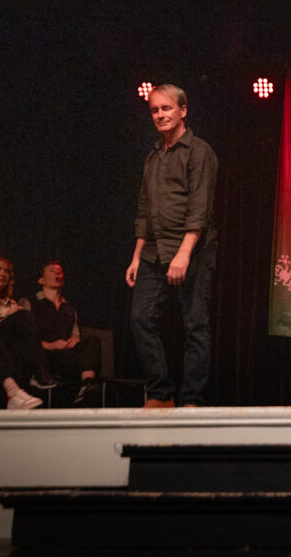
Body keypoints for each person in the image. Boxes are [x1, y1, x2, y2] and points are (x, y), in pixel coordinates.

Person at [125, 83, 218, 409]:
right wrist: (136, 257)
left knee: (195, 325)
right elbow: (144, 211)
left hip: (192, 250)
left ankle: (191, 399)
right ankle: (161, 394)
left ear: (183, 110)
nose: (160, 115)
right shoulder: (153, 157)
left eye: (166, 108)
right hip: (153, 250)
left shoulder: (199, 151)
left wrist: (183, 254)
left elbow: (200, 208)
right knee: (140, 319)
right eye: (155, 110)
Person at [0, 256, 55, 409]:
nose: (3, 274)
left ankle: (22, 392)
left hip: (5, 348)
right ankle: (39, 371)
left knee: (21, 336)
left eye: (6, 271)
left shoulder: (10, 302)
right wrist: (4, 318)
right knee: (22, 315)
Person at [19, 260, 102, 406]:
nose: (57, 273)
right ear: (41, 280)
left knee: (93, 341)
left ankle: (86, 386)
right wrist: (52, 345)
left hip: (65, 352)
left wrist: (75, 339)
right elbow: (24, 338)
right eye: (51, 270)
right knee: (75, 360)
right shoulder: (30, 302)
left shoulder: (69, 308)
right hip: (44, 355)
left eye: (60, 271)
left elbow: (75, 334)